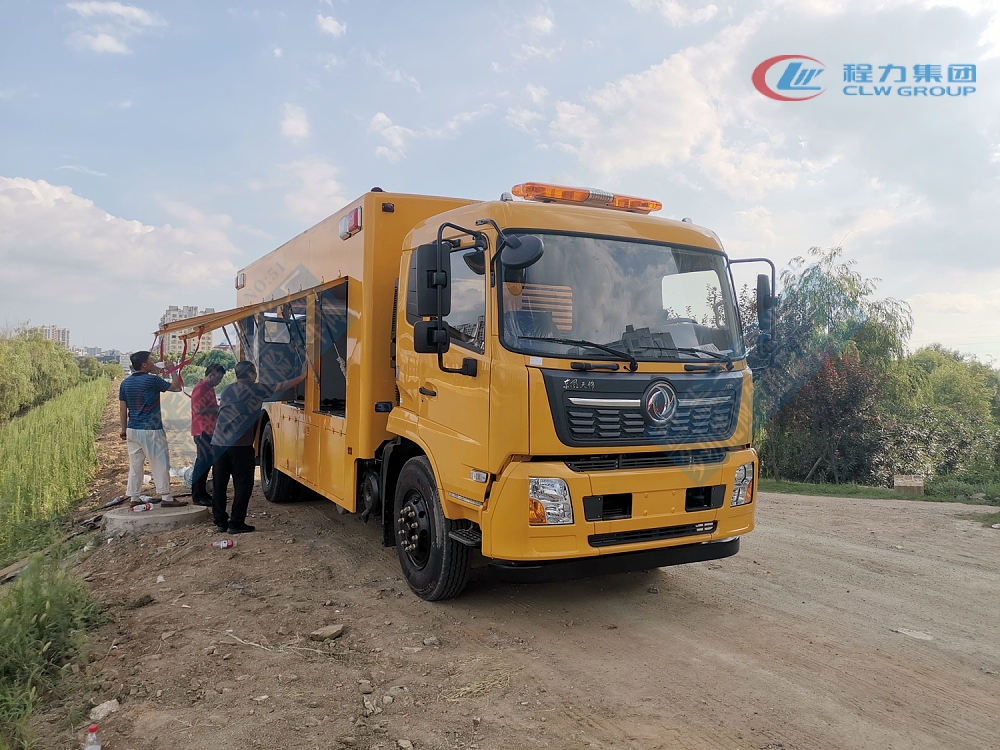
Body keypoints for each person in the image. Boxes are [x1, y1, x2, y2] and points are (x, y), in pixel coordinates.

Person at [210, 361, 306, 533]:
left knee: (220, 485)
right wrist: (303, 376)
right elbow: (281, 386)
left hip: (218, 444)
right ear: (251, 374)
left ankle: (220, 522)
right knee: (243, 486)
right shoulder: (256, 389)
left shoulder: (227, 390)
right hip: (240, 447)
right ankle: (236, 523)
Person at [119, 351, 187, 507]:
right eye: (151, 360)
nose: (154, 362)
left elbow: (123, 408)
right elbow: (176, 388)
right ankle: (166, 497)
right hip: (151, 429)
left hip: (132, 429)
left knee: (136, 464)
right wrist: (172, 370)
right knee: (160, 462)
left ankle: (134, 497)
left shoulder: (125, 383)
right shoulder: (152, 380)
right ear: (144, 365)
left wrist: (123, 429)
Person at [190, 363, 226, 507]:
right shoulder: (200, 389)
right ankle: (197, 496)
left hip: (209, 430)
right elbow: (198, 410)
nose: (220, 381)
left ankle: (202, 493)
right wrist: (217, 409)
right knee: (202, 463)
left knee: (206, 463)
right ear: (211, 375)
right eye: (218, 377)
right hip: (202, 430)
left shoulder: (209, 388)